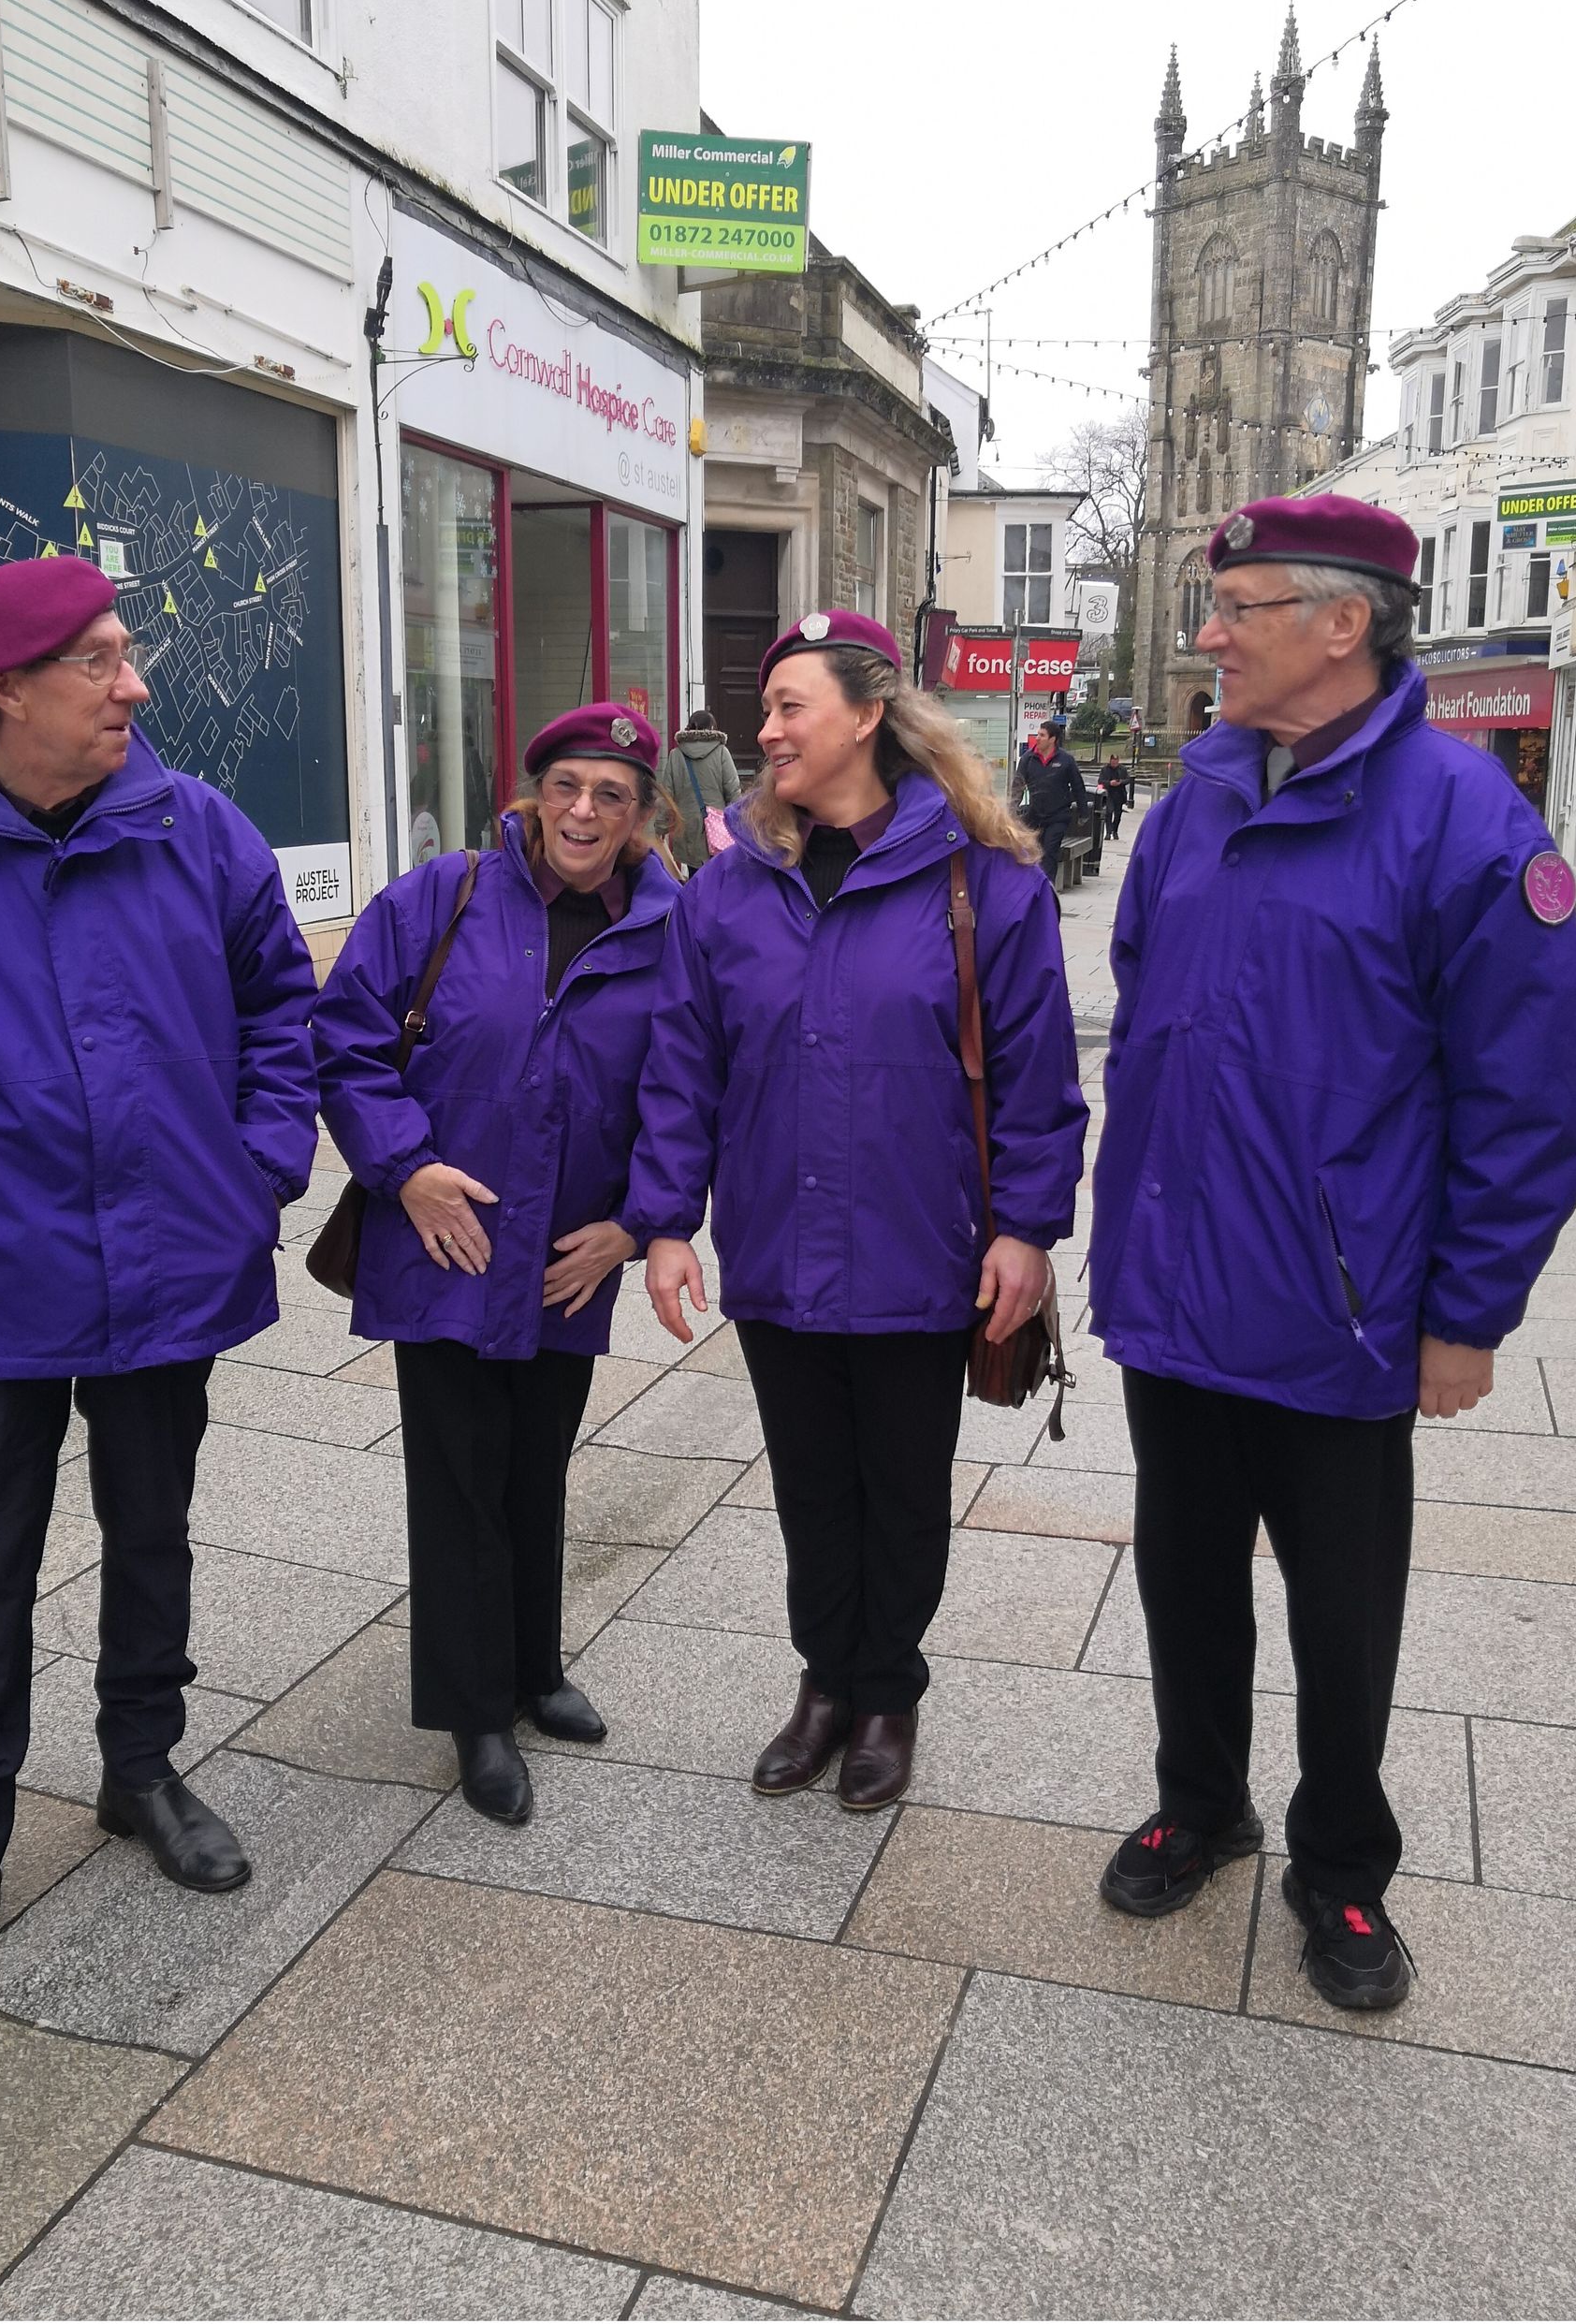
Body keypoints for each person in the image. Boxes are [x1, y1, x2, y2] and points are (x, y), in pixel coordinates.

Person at [1089, 494, 1576, 2010]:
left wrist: (1469, 1311)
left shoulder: (1465, 820)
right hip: (1177, 1293)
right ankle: (1202, 1802)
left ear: (1342, 624)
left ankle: (1343, 1863)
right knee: (1185, 1577)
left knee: (1343, 1610)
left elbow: (1528, 1093)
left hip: (1343, 1312)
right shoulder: (1193, 802)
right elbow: (1146, 1005)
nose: (1208, 637)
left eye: (1237, 609)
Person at [0, 556, 319, 2033]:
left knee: (152, 1530)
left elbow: (279, 1004)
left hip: (172, 1261)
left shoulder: (198, 826)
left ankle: (140, 1769)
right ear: (8, 689)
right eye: (100, 660)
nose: (135, 684)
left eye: (128, 651)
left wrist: (256, 1169)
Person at [625, 610, 1086, 1810]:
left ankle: (887, 1690)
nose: (768, 730)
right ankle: (825, 1680)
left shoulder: (984, 881)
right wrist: (666, 1222)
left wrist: (1026, 1230)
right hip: (778, 1246)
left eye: (792, 706)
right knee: (812, 1486)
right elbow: (681, 1069)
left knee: (903, 1486)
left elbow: (1038, 1078)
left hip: (920, 1249)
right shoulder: (729, 890)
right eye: (767, 709)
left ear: (870, 713)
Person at [313, 704, 679, 1825]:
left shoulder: (671, 927)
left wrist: (638, 1223)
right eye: (566, 786)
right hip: (449, 1243)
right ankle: (474, 1710)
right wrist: (405, 1168)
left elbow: (687, 1088)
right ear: (530, 794)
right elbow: (344, 1038)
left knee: (538, 1465)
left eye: (611, 794)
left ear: (642, 816)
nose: (584, 811)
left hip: (571, 1254)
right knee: (461, 1478)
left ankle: (532, 1667)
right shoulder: (443, 896)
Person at [657, 709, 741, 872]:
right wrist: (736, 826)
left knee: (695, 877)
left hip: (687, 828)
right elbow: (733, 791)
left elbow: (666, 796)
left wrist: (661, 827)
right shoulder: (721, 752)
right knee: (719, 877)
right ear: (712, 728)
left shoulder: (676, 755)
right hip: (717, 829)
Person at [1014, 715, 1090, 885]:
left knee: (1050, 851)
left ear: (1052, 739)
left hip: (1058, 816)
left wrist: (1083, 812)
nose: (1037, 738)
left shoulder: (1066, 760)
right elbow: (1018, 785)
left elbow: (1078, 786)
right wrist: (1012, 809)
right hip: (1035, 814)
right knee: (1032, 852)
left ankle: (1047, 888)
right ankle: (1032, 886)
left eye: (1042, 735)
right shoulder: (1028, 758)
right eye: (1038, 734)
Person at [1097, 752, 1131, 840]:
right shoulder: (1105, 769)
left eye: (1116, 762)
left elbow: (1128, 779)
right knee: (1108, 813)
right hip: (1109, 794)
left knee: (1118, 815)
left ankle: (1115, 831)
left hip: (1119, 794)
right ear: (1110, 761)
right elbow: (1100, 781)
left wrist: (1121, 782)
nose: (1114, 764)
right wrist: (1109, 783)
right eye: (1113, 762)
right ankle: (1108, 832)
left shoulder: (1122, 769)